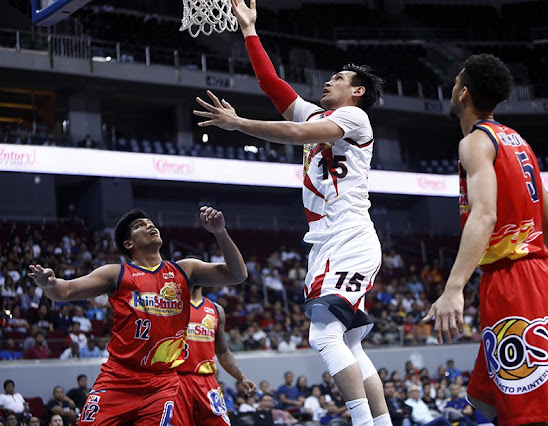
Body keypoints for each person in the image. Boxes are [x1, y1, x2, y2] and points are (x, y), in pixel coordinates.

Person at [193, 1, 389, 425]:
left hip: (348, 235)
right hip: (328, 241)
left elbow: (298, 133)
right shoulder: (319, 112)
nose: (329, 81)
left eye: (338, 78)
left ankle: (361, 422)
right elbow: (270, 82)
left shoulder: (354, 117)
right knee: (350, 343)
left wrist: (238, 123)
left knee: (323, 334)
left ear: (356, 91)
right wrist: (249, 30)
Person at [425, 54, 548, 425]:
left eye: (454, 83)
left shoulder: (476, 143)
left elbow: (484, 214)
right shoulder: (518, 141)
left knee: (529, 410)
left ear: (463, 93)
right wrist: (539, 276)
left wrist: (454, 288)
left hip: (513, 277)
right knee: (488, 399)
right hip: (537, 272)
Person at [28, 206, 247, 425]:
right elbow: (64, 291)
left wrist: (220, 232)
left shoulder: (185, 270)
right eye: (139, 225)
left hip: (162, 383)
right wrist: (48, 284)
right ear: (128, 244)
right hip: (120, 377)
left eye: (150, 222)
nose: (150, 225)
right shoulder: (117, 274)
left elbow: (237, 275)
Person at [174, 283, 256, 426]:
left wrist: (241, 377)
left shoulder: (216, 310)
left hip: (206, 381)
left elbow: (223, 352)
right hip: (177, 379)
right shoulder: (171, 305)